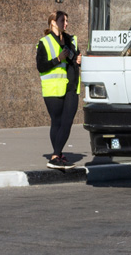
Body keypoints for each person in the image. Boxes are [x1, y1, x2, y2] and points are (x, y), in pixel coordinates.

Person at [36, 10, 81, 169]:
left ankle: (56, 155)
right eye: (63, 20)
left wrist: (79, 60)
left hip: (71, 86)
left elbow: (76, 57)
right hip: (53, 88)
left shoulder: (71, 39)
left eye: (67, 21)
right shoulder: (44, 42)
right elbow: (41, 67)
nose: (66, 23)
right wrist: (58, 59)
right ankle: (57, 156)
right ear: (53, 23)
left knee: (67, 121)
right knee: (57, 122)